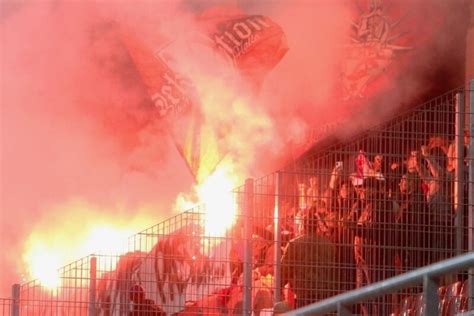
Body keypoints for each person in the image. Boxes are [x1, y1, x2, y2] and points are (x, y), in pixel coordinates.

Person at [281, 214, 336, 308]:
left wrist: (279, 285)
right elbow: (333, 270)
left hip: (303, 293)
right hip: (324, 293)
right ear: (317, 227)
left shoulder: (294, 244)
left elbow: (284, 270)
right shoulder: (329, 245)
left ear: (303, 226)